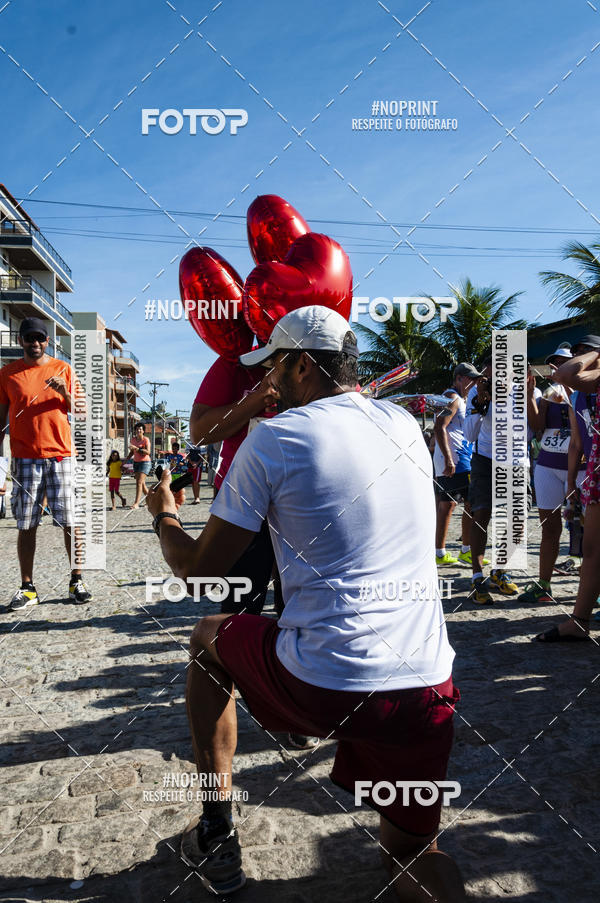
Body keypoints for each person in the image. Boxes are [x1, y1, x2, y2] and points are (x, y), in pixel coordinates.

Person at [147, 306, 465, 901]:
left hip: (330, 683)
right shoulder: (404, 427)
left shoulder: (274, 439)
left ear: (298, 365)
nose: (266, 385)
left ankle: (216, 828)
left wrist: (164, 514)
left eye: (271, 369)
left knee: (207, 637)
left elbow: (198, 571)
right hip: (427, 686)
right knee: (414, 857)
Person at [0, 317, 91, 608]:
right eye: (29, 338)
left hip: (61, 456)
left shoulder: (63, 369)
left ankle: (77, 580)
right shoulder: (8, 374)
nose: (35, 343)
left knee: (71, 521)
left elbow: (82, 413)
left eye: (40, 338)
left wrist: (63, 391)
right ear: (21, 341)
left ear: (47, 341)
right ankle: (28, 588)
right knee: (26, 524)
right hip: (25, 458)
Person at [190, 354, 279, 616]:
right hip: (243, 492)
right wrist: (257, 399)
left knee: (297, 600)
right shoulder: (234, 362)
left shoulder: (321, 358)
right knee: (242, 603)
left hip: (300, 494)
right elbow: (200, 432)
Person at [534, 335, 600, 641]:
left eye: (583, 352)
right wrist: (574, 481)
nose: (577, 357)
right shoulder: (578, 396)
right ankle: (580, 620)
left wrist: (596, 353)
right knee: (591, 549)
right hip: (593, 472)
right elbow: (577, 442)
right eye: (576, 352)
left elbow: (564, 374)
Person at [520, 349, 585, 604]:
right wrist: (528, 394)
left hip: (580, 467)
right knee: (550, 529)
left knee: (590, 530)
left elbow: (583, 420)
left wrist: (569, 389)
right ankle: (544, 584)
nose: (557, 368)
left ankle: (593, 590)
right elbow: (537, 426)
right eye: (553, 364)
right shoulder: (548, 393)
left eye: (561, 363)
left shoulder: (585, 391)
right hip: (547, 463)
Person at [463, 357, 519, 604]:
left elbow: (530, 428)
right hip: (485, 458)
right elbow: (469, 434)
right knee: (481, 513)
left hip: (515, 460)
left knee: (514, 519)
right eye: (489, 372)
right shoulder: (476, 393)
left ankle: (499, 570)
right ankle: (477, 576)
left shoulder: (523, 390)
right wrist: (479, 402)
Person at [433, 363, 479, 566]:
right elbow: (439, 427)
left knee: (471, 503)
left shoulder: (464, 399)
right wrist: (449, 458)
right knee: (448, 504)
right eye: (471, 378)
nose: (474, 382)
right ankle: (440, 553)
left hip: (465, 458)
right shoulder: (452, 397)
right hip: (455, 459)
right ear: (459, 378)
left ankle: (466, 550)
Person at [127, 423, 151, 509]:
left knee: (139, 482)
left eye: (140, 429)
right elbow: (132, 452)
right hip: (136, 463)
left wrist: (137, 448)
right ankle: (151, 500)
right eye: (137, 429)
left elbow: (148, 452)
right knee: (142, 484)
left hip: (145, 463)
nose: (138, 430)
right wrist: (125, 461)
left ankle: (136, 503)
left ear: (143, 431)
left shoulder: (146, 440)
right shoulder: (133, 440)